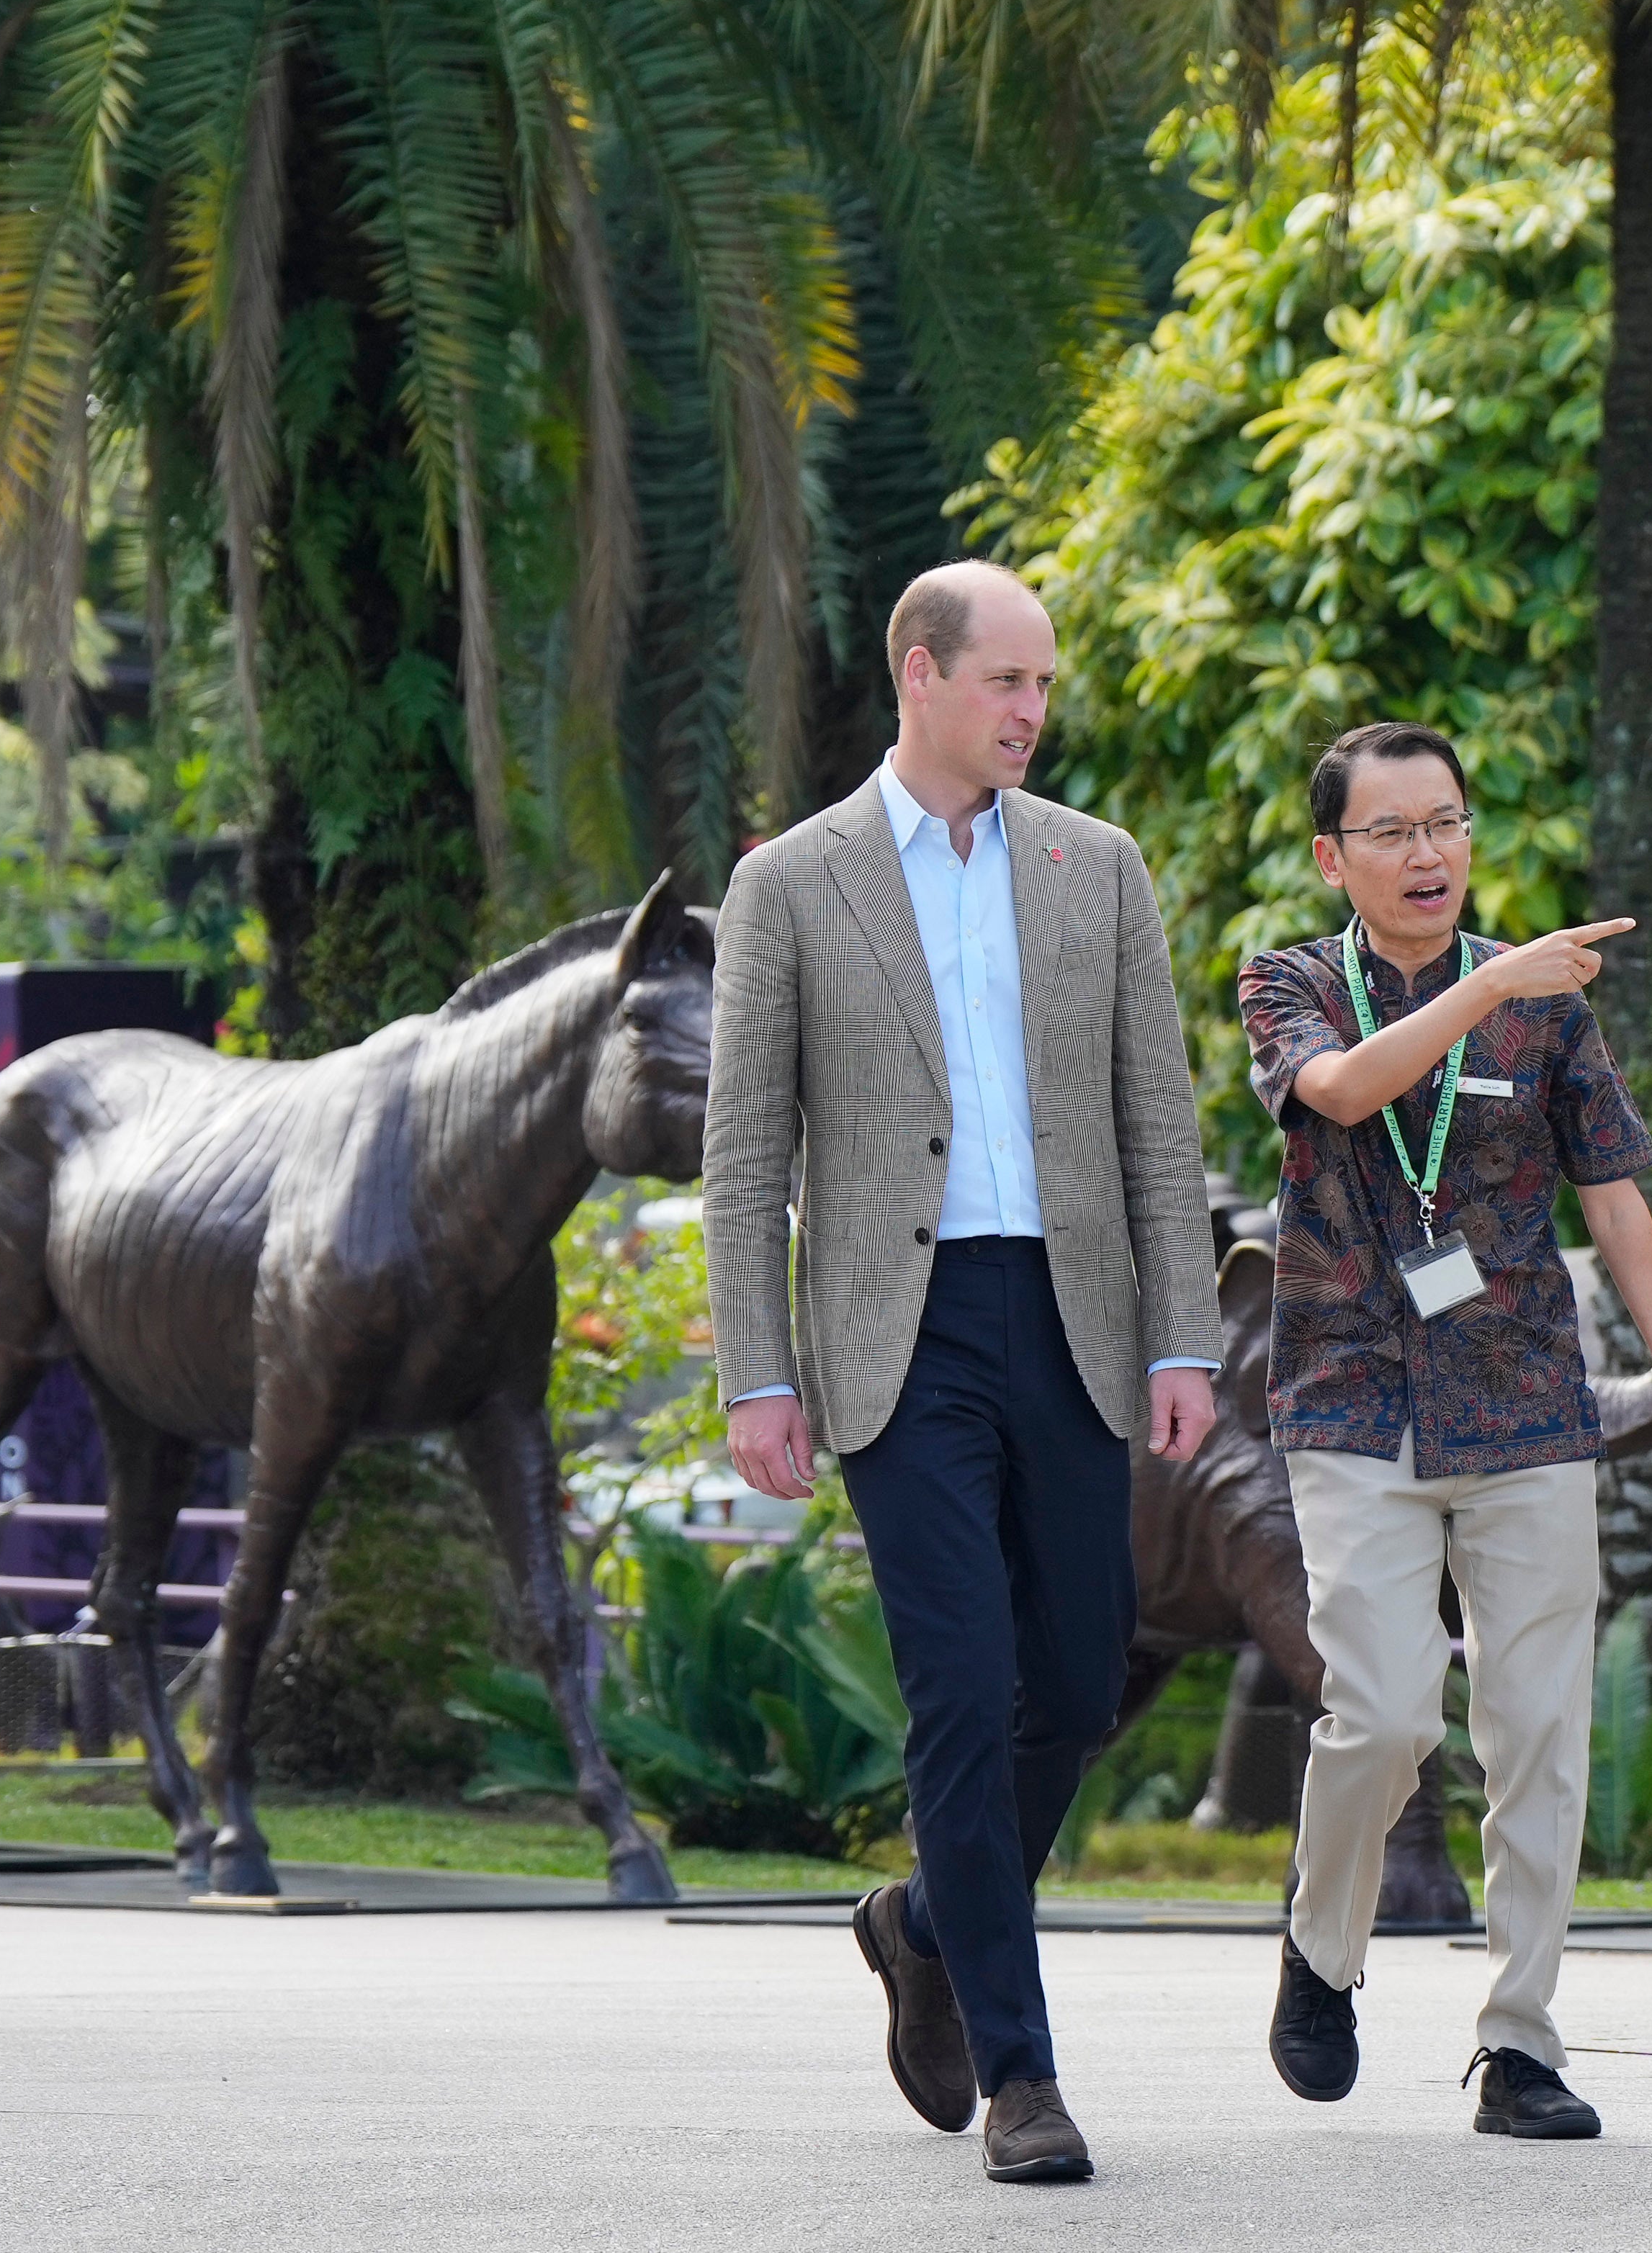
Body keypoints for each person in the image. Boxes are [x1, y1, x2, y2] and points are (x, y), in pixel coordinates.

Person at [705, 562, 1221, 2189]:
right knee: (956, 1687)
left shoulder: (1098, 866)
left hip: (1067, 1317)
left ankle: (921, 1919)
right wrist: (755, 1373)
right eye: (1007, 680)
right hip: (894, 1340)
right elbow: (742, 1159)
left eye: (1045, 687)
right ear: (919, 675)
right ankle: (1021, 2075)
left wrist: (1182, 1332)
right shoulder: (794, 883)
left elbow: (1160, 1122)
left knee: (1074, 1680)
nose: (1031, 711)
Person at [1235, 718, 1652, 2141]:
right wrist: (1490, 985)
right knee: (1384, 1709)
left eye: (1444, 823)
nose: (1426, 853)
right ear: (1335, 856)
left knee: (1539, 1735)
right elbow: (1341, 1091)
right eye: (1390, 832)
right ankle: (1321, 1947)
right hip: (1349, 1399)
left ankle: (1518, 2042)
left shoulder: (1548, 1014)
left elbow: (1619, 1205)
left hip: (1522, 1404)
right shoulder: (1288, 984)